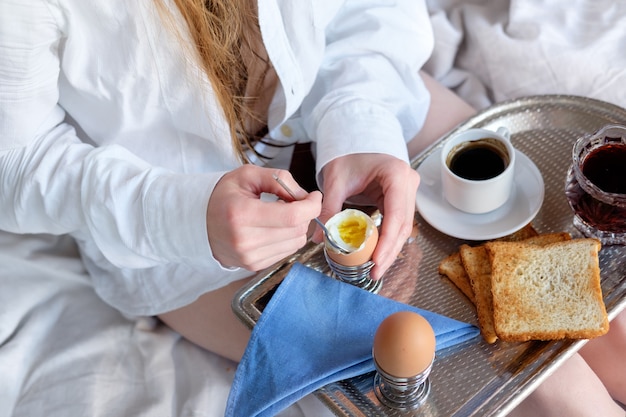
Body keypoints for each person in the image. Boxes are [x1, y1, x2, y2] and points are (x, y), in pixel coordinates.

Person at [1, 1, 624, 416]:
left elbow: (365, 12)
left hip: (366, 92)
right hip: (182, 236)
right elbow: (15, 161)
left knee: (619, 339)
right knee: (561, 400)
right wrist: (183, 212)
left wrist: (363, 124)